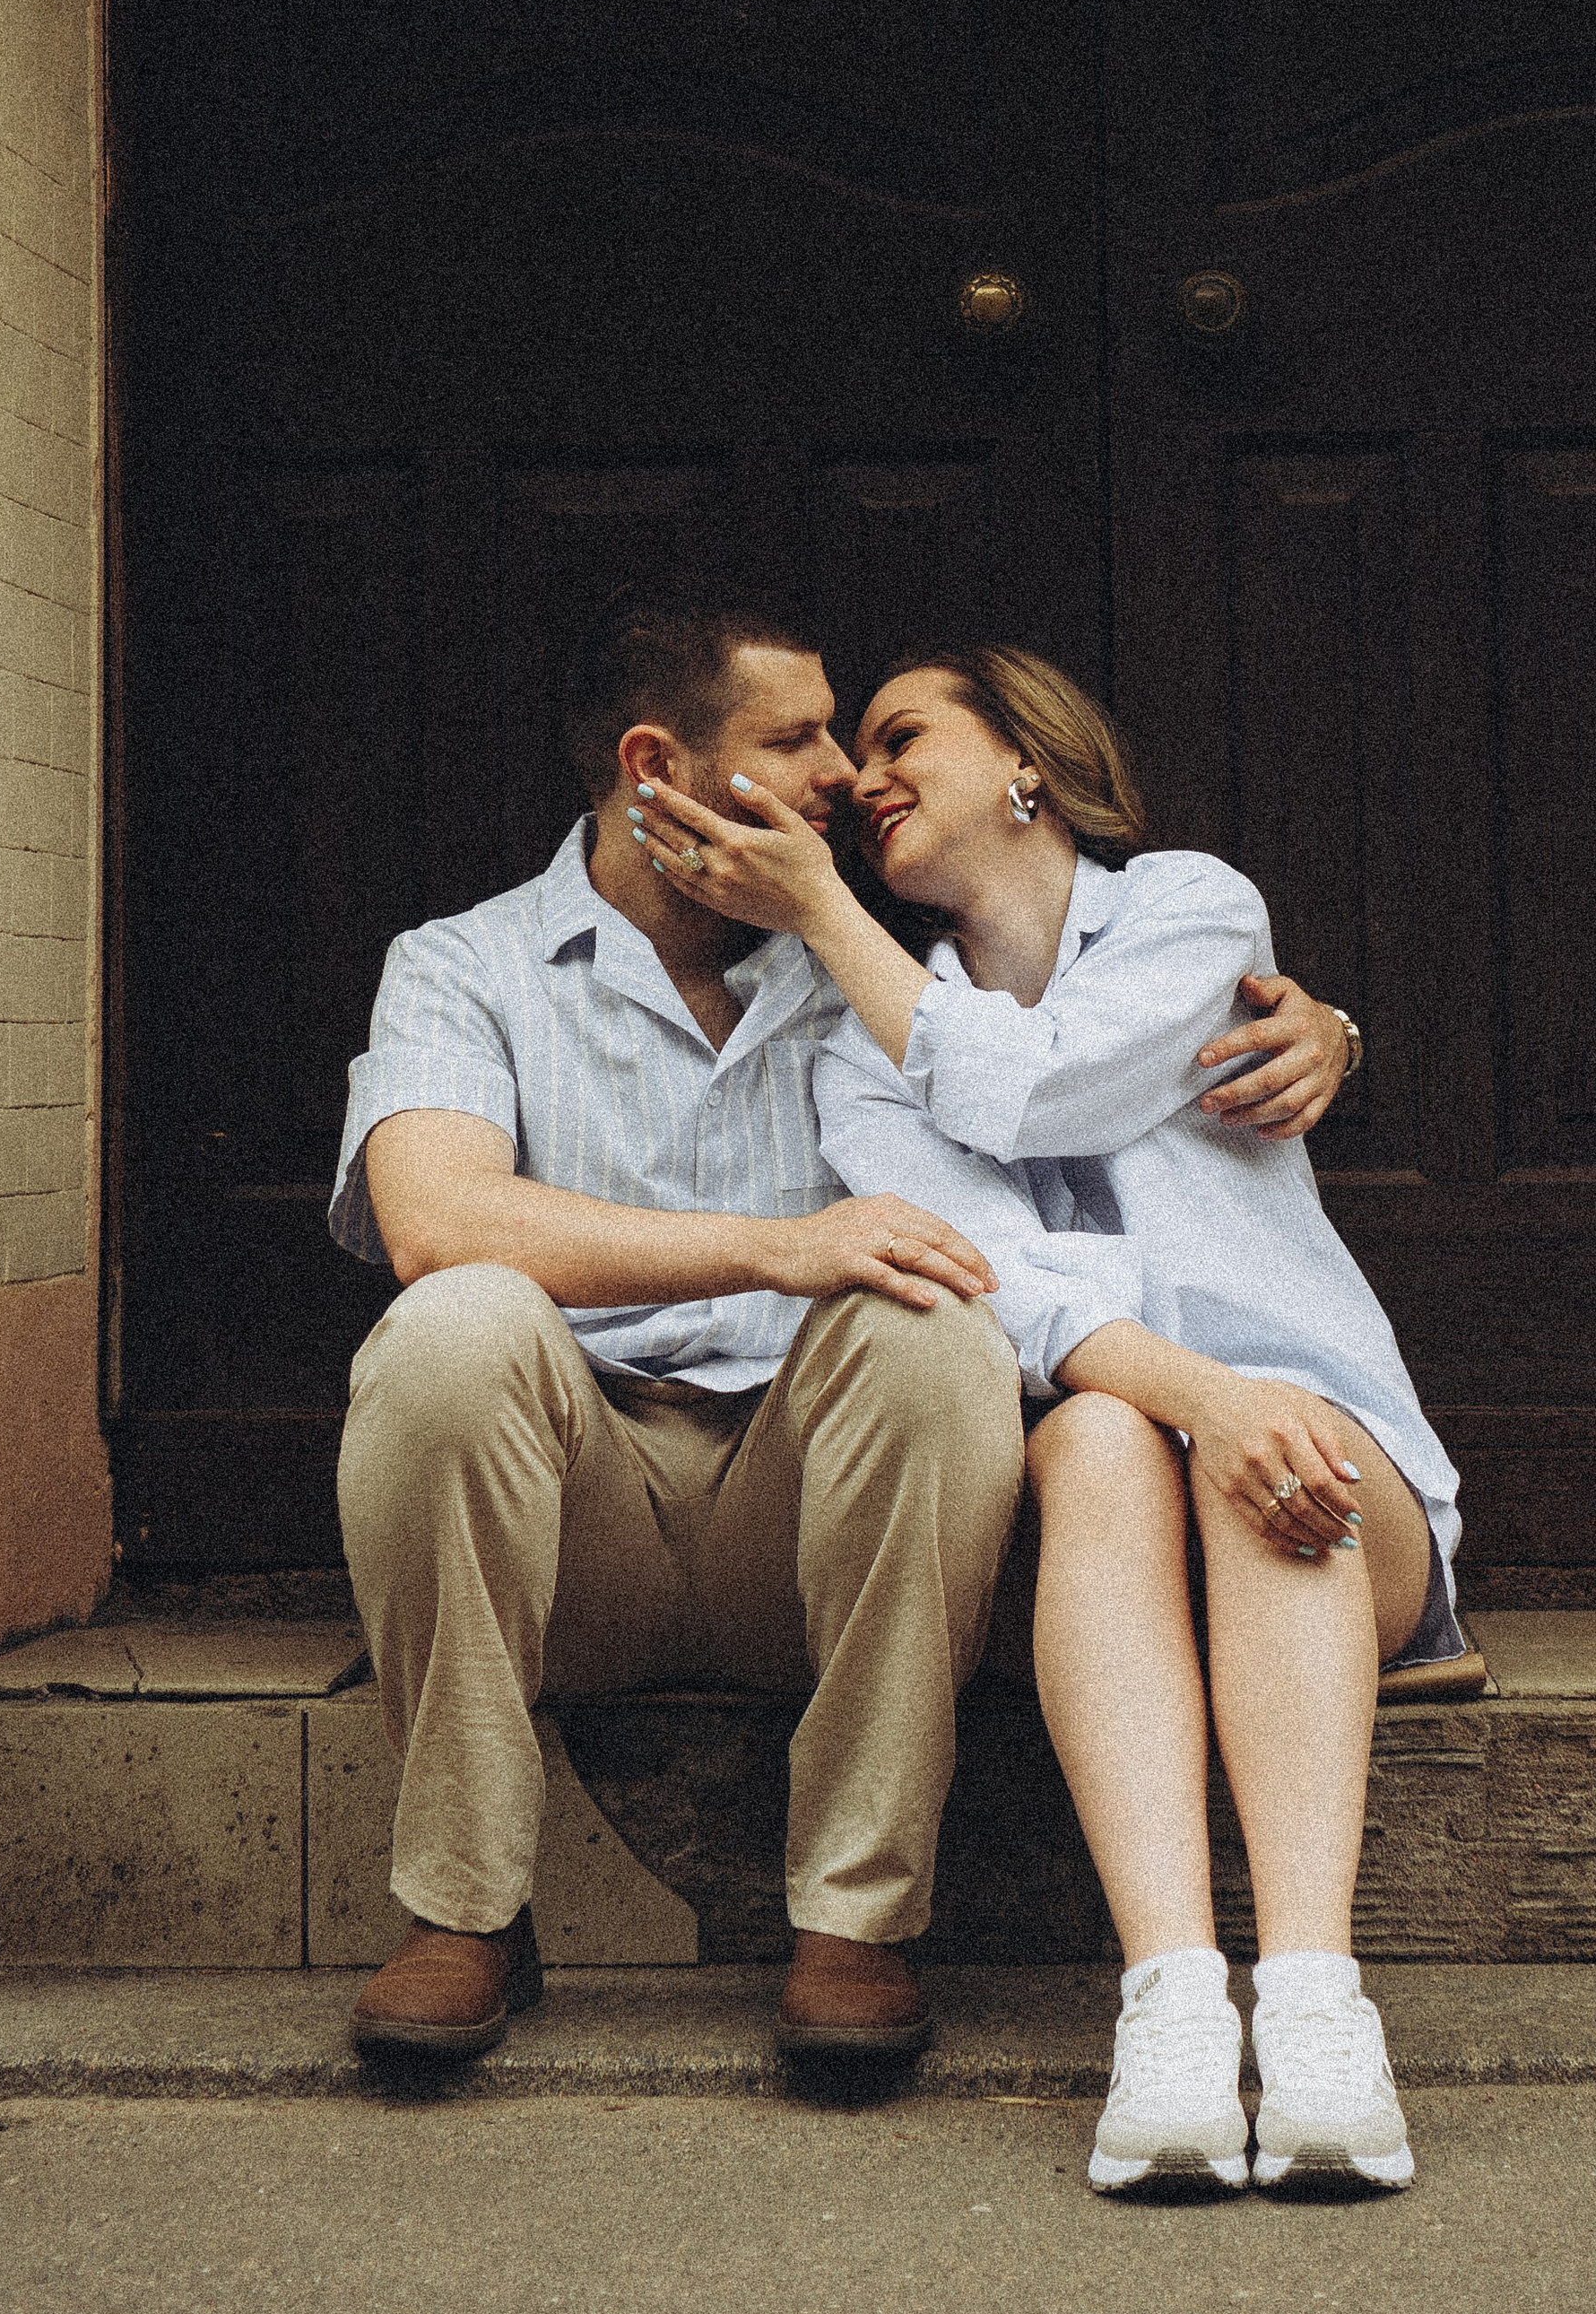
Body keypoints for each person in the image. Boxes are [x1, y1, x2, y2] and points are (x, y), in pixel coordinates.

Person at [327, 596, 1357, 2063]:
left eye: (859, 738)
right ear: (655, 767)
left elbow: (1058, 1056)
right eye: (798, 737)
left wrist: (1328, 1026)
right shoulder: (461, 964)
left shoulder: (882, 984)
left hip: (804, 1525)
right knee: (454, 1318)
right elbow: (432, 1217)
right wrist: (780, 1247)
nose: (841, 778)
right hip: (571, 1518)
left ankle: (855, 1919)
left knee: (935, 1322)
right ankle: (463, 1910)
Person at [626, 643, 1462, 2195]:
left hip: (1336, 1489)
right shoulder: (860, 1055)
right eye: (849, 752)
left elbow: (1038, 1090)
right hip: (1111, 1513)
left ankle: (1320, 2005)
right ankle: (1171, 2011)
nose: (861, 776)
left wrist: (1234, 1405)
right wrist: (1199, 1398)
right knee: (1089, 1430)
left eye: (902, 735)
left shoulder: (1193, 913)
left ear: (1027, 760)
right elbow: (1007, 1290)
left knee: (1255, 1445)